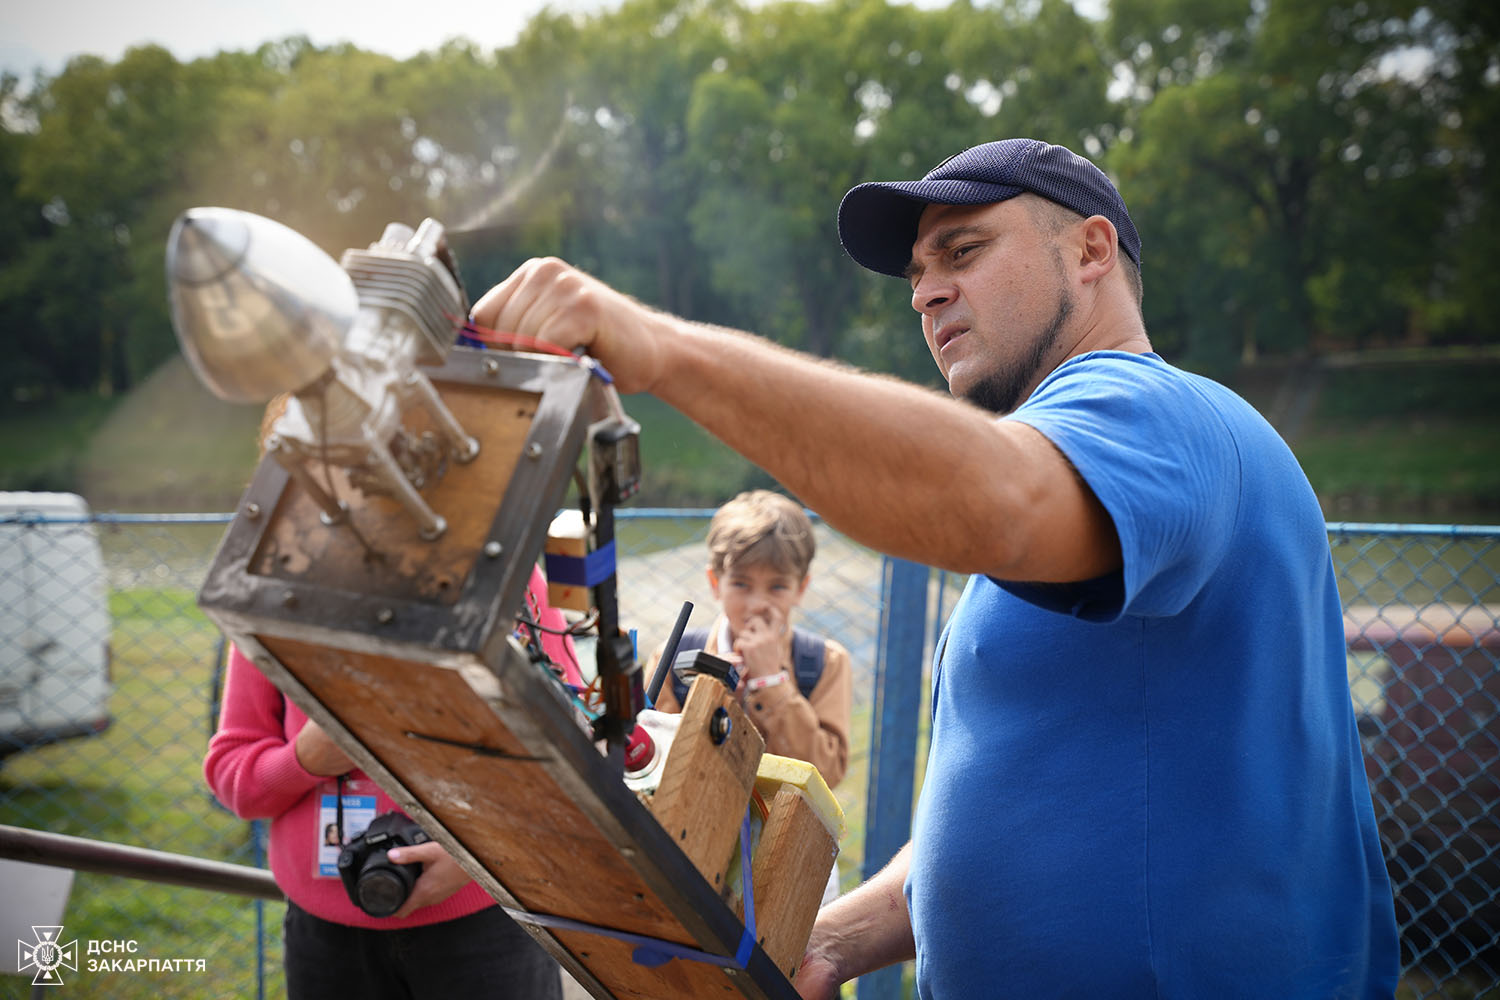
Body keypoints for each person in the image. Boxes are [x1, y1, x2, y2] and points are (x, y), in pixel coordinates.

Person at [472, 137, 1399, 998]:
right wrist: (834, 940)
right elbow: (1028, 807)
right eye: (919, 274)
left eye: (963, 252)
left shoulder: (1148, 410)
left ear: (1090, 250)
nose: (925, 293)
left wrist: (664, 349)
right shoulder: (1099, 476)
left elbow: (992, 495)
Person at [205, 397, 576, 999]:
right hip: (326, 943)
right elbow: (232, 775)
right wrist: (308, 758)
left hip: (484, 922)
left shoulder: (498, 573)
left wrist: (474, 859)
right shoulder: (268, 597)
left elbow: (567, 746)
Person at [645, 490, 852, 903]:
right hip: (689, 858)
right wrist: (714, 699)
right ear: (714, 582)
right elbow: (651, 768)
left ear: (801, 588)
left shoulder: (823, 663)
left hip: (788, 866)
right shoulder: (675, 658)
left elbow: (825, 772)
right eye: (741, 584)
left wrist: (773, 684)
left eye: (777, 587)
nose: (758, 603)